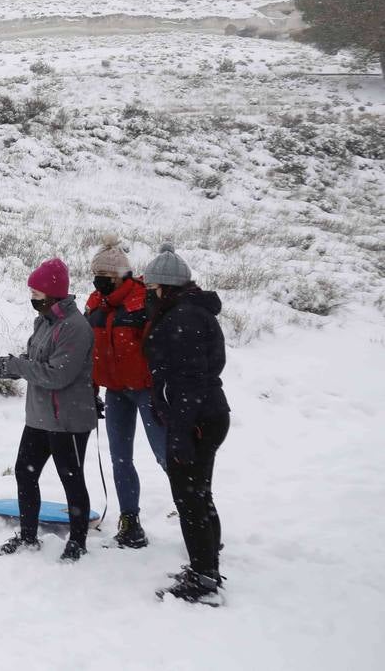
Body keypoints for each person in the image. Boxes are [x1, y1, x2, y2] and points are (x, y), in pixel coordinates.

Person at [0, 257, 96, 562]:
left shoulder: (75, 327)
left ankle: (77, 541)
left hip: (68, 420)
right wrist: (9, 368)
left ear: (53, 294)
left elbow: (58, 374)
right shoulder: (43, 322)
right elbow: (34, 361)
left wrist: (19, 366)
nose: (32, 300)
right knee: (25, 473)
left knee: (71, 479)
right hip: (39, 416)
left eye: (36, 294)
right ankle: (28, 536)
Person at [142, 245, 230, 605]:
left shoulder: (184, 318)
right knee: (199, 495)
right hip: (202, 415)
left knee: (190, 499)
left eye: (151, 287)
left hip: (195, 419)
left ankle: (204, 580)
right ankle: (205, 567)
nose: (148, 293)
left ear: (165, 287)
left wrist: (179, 434)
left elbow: (190, 382)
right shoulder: (186, 311)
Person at [85, 235, 166, 548]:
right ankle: (130, 521)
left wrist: (164, 391)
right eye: (96, 277)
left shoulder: (143, 302)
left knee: (166, 456)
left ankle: (193, 515)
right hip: (116, 392)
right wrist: (91, 393)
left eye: (104, 277)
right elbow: (88, 353)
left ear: (121, 276)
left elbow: (159, 350)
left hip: (147, 391)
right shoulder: (94, 304)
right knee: (120, 458)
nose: (98, 283)